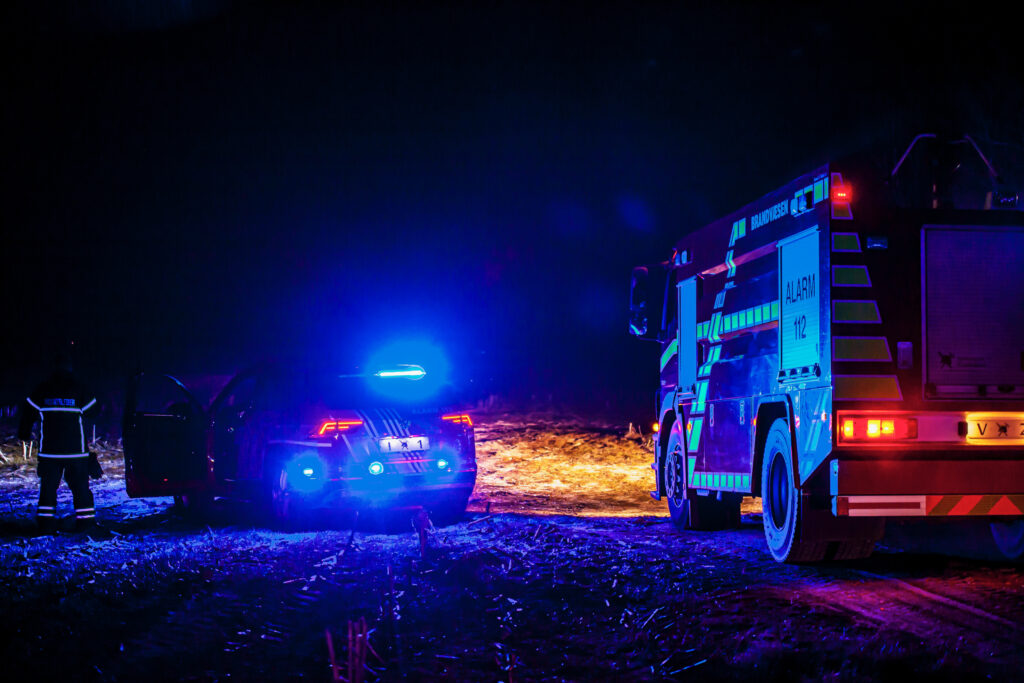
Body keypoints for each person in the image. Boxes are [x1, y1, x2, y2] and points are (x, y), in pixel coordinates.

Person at [18, 351, 100, 533]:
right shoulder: (79, 388)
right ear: (70, 368)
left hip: (50, 452)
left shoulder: (43, 389)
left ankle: (46, 525)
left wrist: (24, 433)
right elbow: (94, 411)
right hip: (75, 452)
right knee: (81, 488)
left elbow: (27, 414)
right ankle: (86, 524)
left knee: (48, 489)